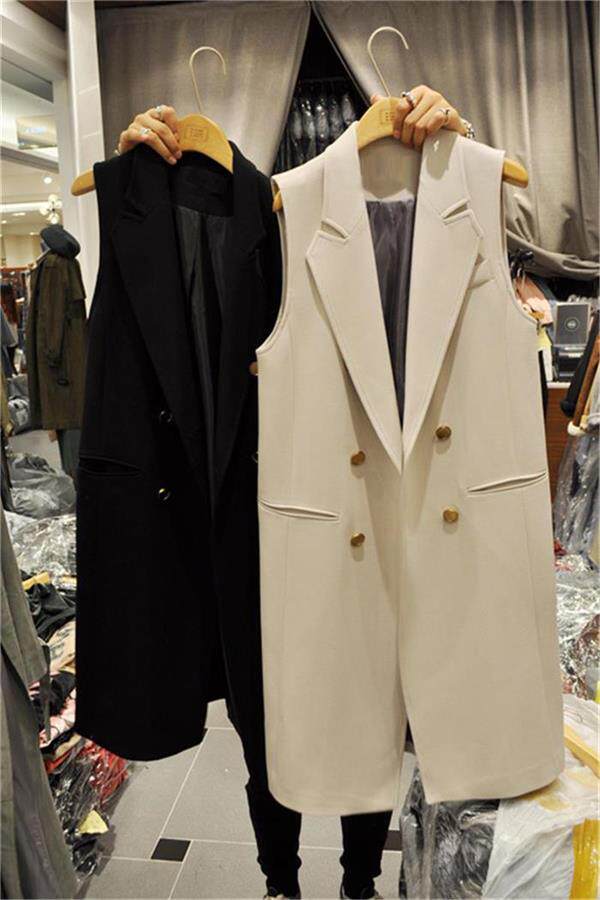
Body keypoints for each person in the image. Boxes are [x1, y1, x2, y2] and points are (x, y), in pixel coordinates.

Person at [114, 86, 471, 900]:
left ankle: (358, 883)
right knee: (265, 729)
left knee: (366, 713)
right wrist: (147, 194)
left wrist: (451, 145)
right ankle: (281, 882)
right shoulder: (252, 215)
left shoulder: (346, 211)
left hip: (356, 512)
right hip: (250, 530)